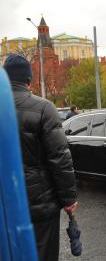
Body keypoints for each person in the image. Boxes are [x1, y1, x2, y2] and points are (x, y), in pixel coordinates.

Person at [3, 54, 78, 261]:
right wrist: (68, 199)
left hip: (5, 203)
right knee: (43, 253)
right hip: (40, 203)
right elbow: (59, 158)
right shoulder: (44, 108)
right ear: (29, 80)